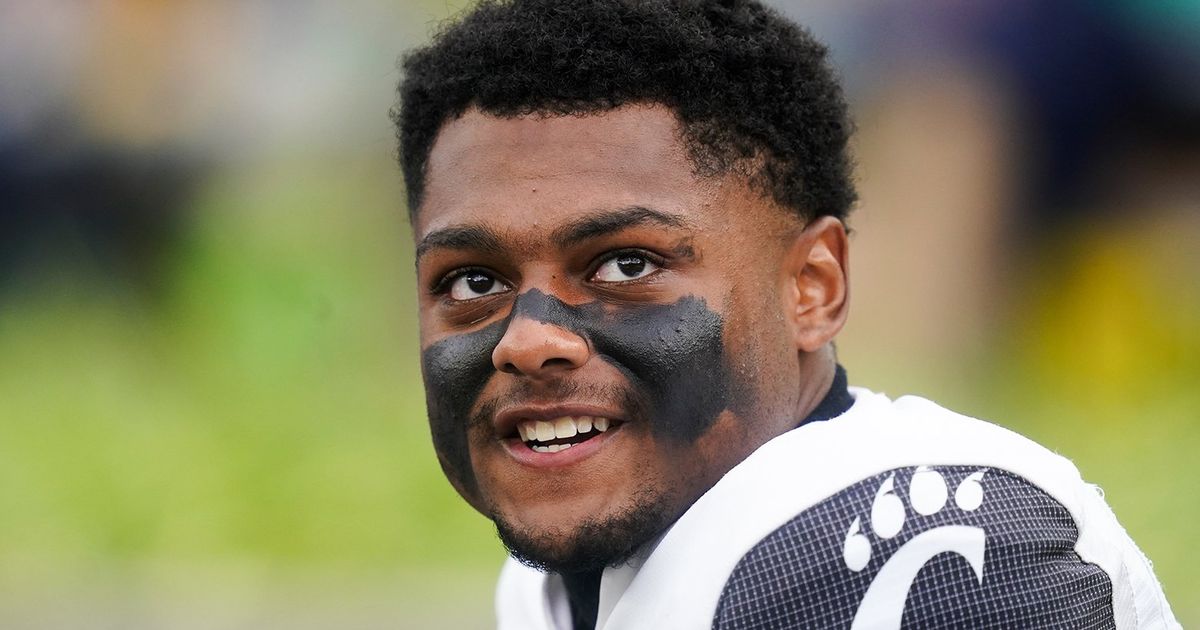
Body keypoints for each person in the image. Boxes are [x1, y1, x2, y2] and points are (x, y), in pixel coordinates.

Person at [392, 0, 1181, 628]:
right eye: (470, 281)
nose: (529, 340)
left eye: (628, 265)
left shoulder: (899, 547)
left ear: (813, 287)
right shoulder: (559, 580)